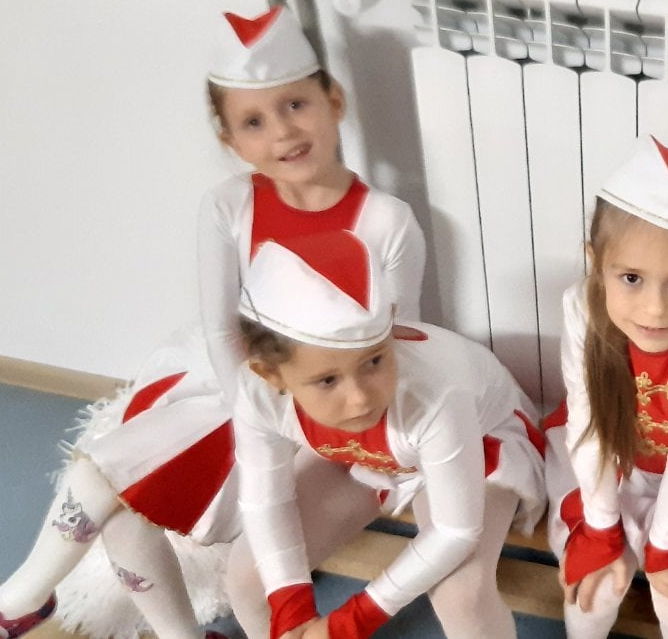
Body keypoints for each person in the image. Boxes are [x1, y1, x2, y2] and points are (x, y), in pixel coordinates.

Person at [0, 5, 425, 639]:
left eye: (296, 105)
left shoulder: (386, 220)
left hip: (328, 419)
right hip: (243, 391)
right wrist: (249, 410)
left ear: (333, 101)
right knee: (119, 499)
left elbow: (394, 348)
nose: (282, 132)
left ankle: (16, 603)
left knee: (115, 478)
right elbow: (221, 331)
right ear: (230, 139)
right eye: (254, 121)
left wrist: (284, 428)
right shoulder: (228, 205)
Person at [228, 230, 542, 639]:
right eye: (327, 381)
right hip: (373, 455)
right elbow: (264, 500)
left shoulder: (437, 392)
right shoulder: (257, 392)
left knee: (461, 597)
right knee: (247, 577)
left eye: (375, 360)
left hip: (480, 445)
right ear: (271, 374)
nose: (359, 398)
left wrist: (349, 623)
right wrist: (291, 611)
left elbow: (454, 531)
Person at [542, 135, 668, 638]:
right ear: (597, 262)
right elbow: (588, 425)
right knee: (594, 589)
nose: (655, 310)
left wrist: (663, 548)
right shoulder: (580, 308)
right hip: (606, 469)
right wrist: (600, 530)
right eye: (632, 278)